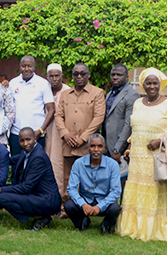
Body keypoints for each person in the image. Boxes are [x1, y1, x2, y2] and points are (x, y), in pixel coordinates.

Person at [116, 68, 167, 241]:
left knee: (153, 194)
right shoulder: (138, 103)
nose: (152, 86)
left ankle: (152, 231)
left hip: (156, 159)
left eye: (155, 83)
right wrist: (129, 147)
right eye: (148, 83)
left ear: (161, 84)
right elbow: (136, 129)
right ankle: (132, 228)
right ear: (143, 85)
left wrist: (161, 140)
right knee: (133, 191)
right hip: (137, 159)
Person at [0, 128, 62, 231]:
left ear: (35, 139)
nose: (25, 143)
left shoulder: (39, 157)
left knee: (3, 197)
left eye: (28, 139)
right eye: (22, 140)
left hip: (45, 200)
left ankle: (41, 217)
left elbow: (25, 187)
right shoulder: (26, 152)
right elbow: (8, 160)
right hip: (33, 194)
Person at [54, 62, 106, 200]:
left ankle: (85, 207)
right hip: (68, 143)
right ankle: (66, 208)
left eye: (82, 73)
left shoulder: (97, 93)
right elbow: (58, 115)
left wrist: (83, 138)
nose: (79, 76)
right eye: (75, 74)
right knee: (68, 176)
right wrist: (65, 134)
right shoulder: (65, 94)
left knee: (87, 177)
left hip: (87, 144)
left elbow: (99, 117)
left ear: (88, 75)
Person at [65, 134, 122, 234]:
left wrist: (100, 206)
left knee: (115, 208)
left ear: (104, 148)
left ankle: (106, 225)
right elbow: (71, 189)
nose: (96, 149)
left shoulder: (112, 164)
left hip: (104, 201)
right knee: (69, 206)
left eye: (100, 146)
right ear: (88, 148)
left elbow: (116, 191)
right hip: (86, 200)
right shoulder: (79, 163)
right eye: (92, 146)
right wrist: (83, 204)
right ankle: (82, 223)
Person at [102, 64, 141, 194]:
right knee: (110, 181)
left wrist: (118, 149)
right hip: (107, 144)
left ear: (127, 77)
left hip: (120, 147)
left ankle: (123, 211)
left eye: (119, 75)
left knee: (123, 182)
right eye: (113, 75)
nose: (115, 77)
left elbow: (128, 124)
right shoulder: (109, 94)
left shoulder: (132, 95)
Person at [8, 55, 55, 156]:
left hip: (36, 134)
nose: (26, 69)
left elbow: (51, 109)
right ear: (19, 66)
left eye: (29, 66)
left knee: (36, 166)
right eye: (23, 66)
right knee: (17, 167)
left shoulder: (43, 83)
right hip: (16, 134)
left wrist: (41, 130)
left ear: (34, 67)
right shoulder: (13, 83)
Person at [44, 63, 71, 193]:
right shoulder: (44, 89)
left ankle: (58, 195)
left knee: (57, 163)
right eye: (51, 76)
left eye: (57, 76)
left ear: (62, 76)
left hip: (60, 132)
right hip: (45, 130)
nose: (54, 79)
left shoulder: (68, 91)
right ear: (47, 77)